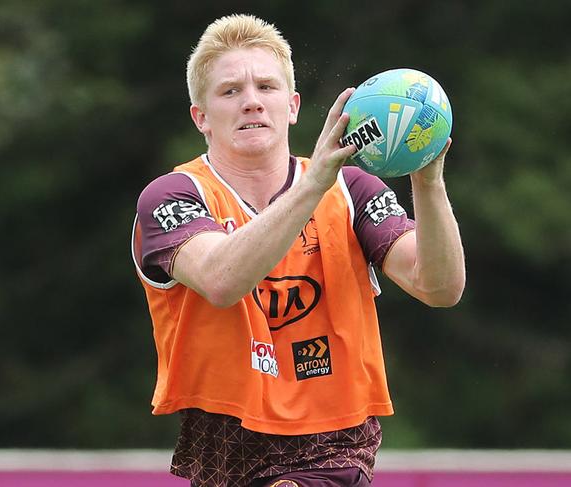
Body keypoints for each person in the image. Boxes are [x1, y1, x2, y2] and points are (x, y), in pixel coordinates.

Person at [131, 13, 465, 487]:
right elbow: (222, 281)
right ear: (200, 117)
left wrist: (427, 183)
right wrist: (311, 187)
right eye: (230, 91)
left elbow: (440, 287)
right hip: (223, 442)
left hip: (332, 442)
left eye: (266, 87)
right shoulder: (173, 195)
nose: (251, 102)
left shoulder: (351, 190)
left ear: (291, 105)